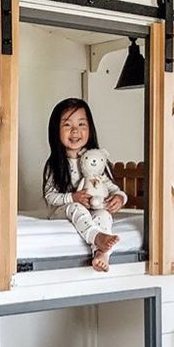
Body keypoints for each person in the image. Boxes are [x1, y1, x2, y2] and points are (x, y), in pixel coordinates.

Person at [41, 97, 127, 271]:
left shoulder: (96, 161)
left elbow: (111, 187)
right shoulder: (55, 164)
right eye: (67, 125)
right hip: (62, 211)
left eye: (81, 124)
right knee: (76, 208)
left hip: (93, 209)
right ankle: (97, 237)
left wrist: (120, 197)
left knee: (104, 215)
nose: (75, 131)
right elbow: (50, 197)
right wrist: (72, 197)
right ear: (55, 130)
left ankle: (102, 253)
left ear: (90, 129)